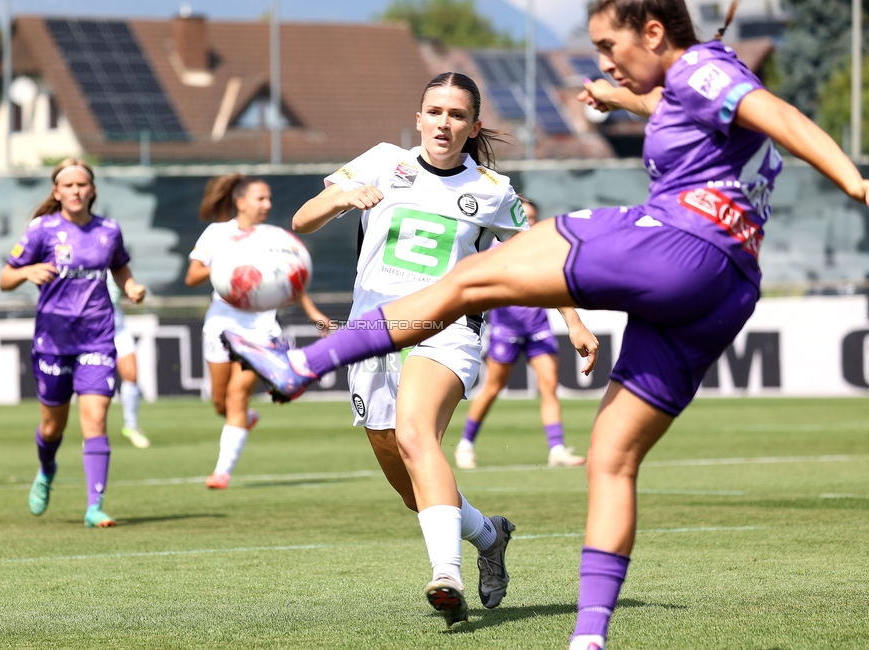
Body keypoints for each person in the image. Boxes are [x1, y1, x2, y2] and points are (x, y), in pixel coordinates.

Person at [224, 1, 869, 647]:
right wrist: (621, 97)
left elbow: (779, 115)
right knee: (610, 461)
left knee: (460, 285)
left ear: (652, 31)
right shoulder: (695, 90)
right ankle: (587, 637)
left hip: (675, 241)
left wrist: (855, 181)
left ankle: (300, 365)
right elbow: (699, 109)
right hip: (725, 288)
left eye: (608, 45)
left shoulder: (702, 66)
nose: (604, 59)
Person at [249, 72, 596, 628]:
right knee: (411, 483)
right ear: (418, 118)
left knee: (416, 434)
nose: (444, 123)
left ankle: (446, 576)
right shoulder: (384, 161)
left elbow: (535, 259)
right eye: (435, 111)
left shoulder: (491, 190)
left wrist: (573, 321)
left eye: (457, 115)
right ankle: (489, 533)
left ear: (473, 126)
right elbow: (301, 219)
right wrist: (344, 196)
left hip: (447, 331)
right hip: (373, 333)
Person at [0, 158, 146, 528]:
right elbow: (4, 278)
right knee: (52, 428)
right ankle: (47, 469)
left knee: (95, 419)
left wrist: (131, 286)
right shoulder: (41, 230)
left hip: (97, 337)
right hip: (53, 340)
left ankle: (94, 506)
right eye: (68, 186)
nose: (76, 191)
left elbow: (119, 265)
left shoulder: (109, 230)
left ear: (92, 190)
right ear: (56, 192)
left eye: (82, 185)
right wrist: (26, 272)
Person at [186, 174, 332, 490]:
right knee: (220, 403)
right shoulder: (218, 234)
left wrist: (315, 315)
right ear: (241, 202)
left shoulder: (273, 238)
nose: (267, 204)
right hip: (221, 327)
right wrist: (229, 264)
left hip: (262, 331)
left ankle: (221, 472)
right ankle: (245, 421)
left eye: (269, 199)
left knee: (238, 396)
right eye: (260, 198)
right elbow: (193, 276)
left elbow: (290, 280)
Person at [455, 197, 584, 470]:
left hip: (538, 326)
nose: (530, 223)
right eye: (525, 217)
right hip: (507, 329)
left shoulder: (545, 248)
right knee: (492, 388)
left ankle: (557, 449)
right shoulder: (497, 249)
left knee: (549, 386)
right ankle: (465, 444)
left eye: (534, 218)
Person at [108, 276, 151, 448]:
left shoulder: (114, 257)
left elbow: (128, 288)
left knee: (131, 375)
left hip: (117, 324)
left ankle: (131, 426)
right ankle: (94, 434)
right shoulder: (85, 257)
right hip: (90, 327)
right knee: (93, 383)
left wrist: (135, 293)